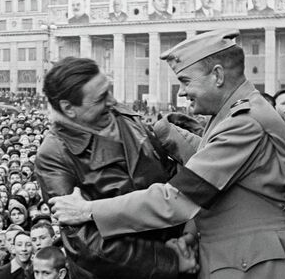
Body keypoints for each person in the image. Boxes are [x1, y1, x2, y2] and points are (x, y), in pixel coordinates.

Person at [50, 29, 285, 278]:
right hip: (249, 258)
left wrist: (89, 210)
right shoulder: (234, 114)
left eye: (185, 81)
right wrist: (163, 133)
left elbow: (179, 198)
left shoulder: (244, 122)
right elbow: (210, 159)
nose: (181, 92)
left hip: (263, 264)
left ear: (217, 75)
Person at [37, 56, 193, 278]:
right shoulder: (54, 155)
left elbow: (168, 176)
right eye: (100, 98)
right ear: (68, 108)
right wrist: (169, 260)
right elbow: (87, 244)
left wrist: (186, 236)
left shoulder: (123, 116)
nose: (112, 100)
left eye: (108, 90)